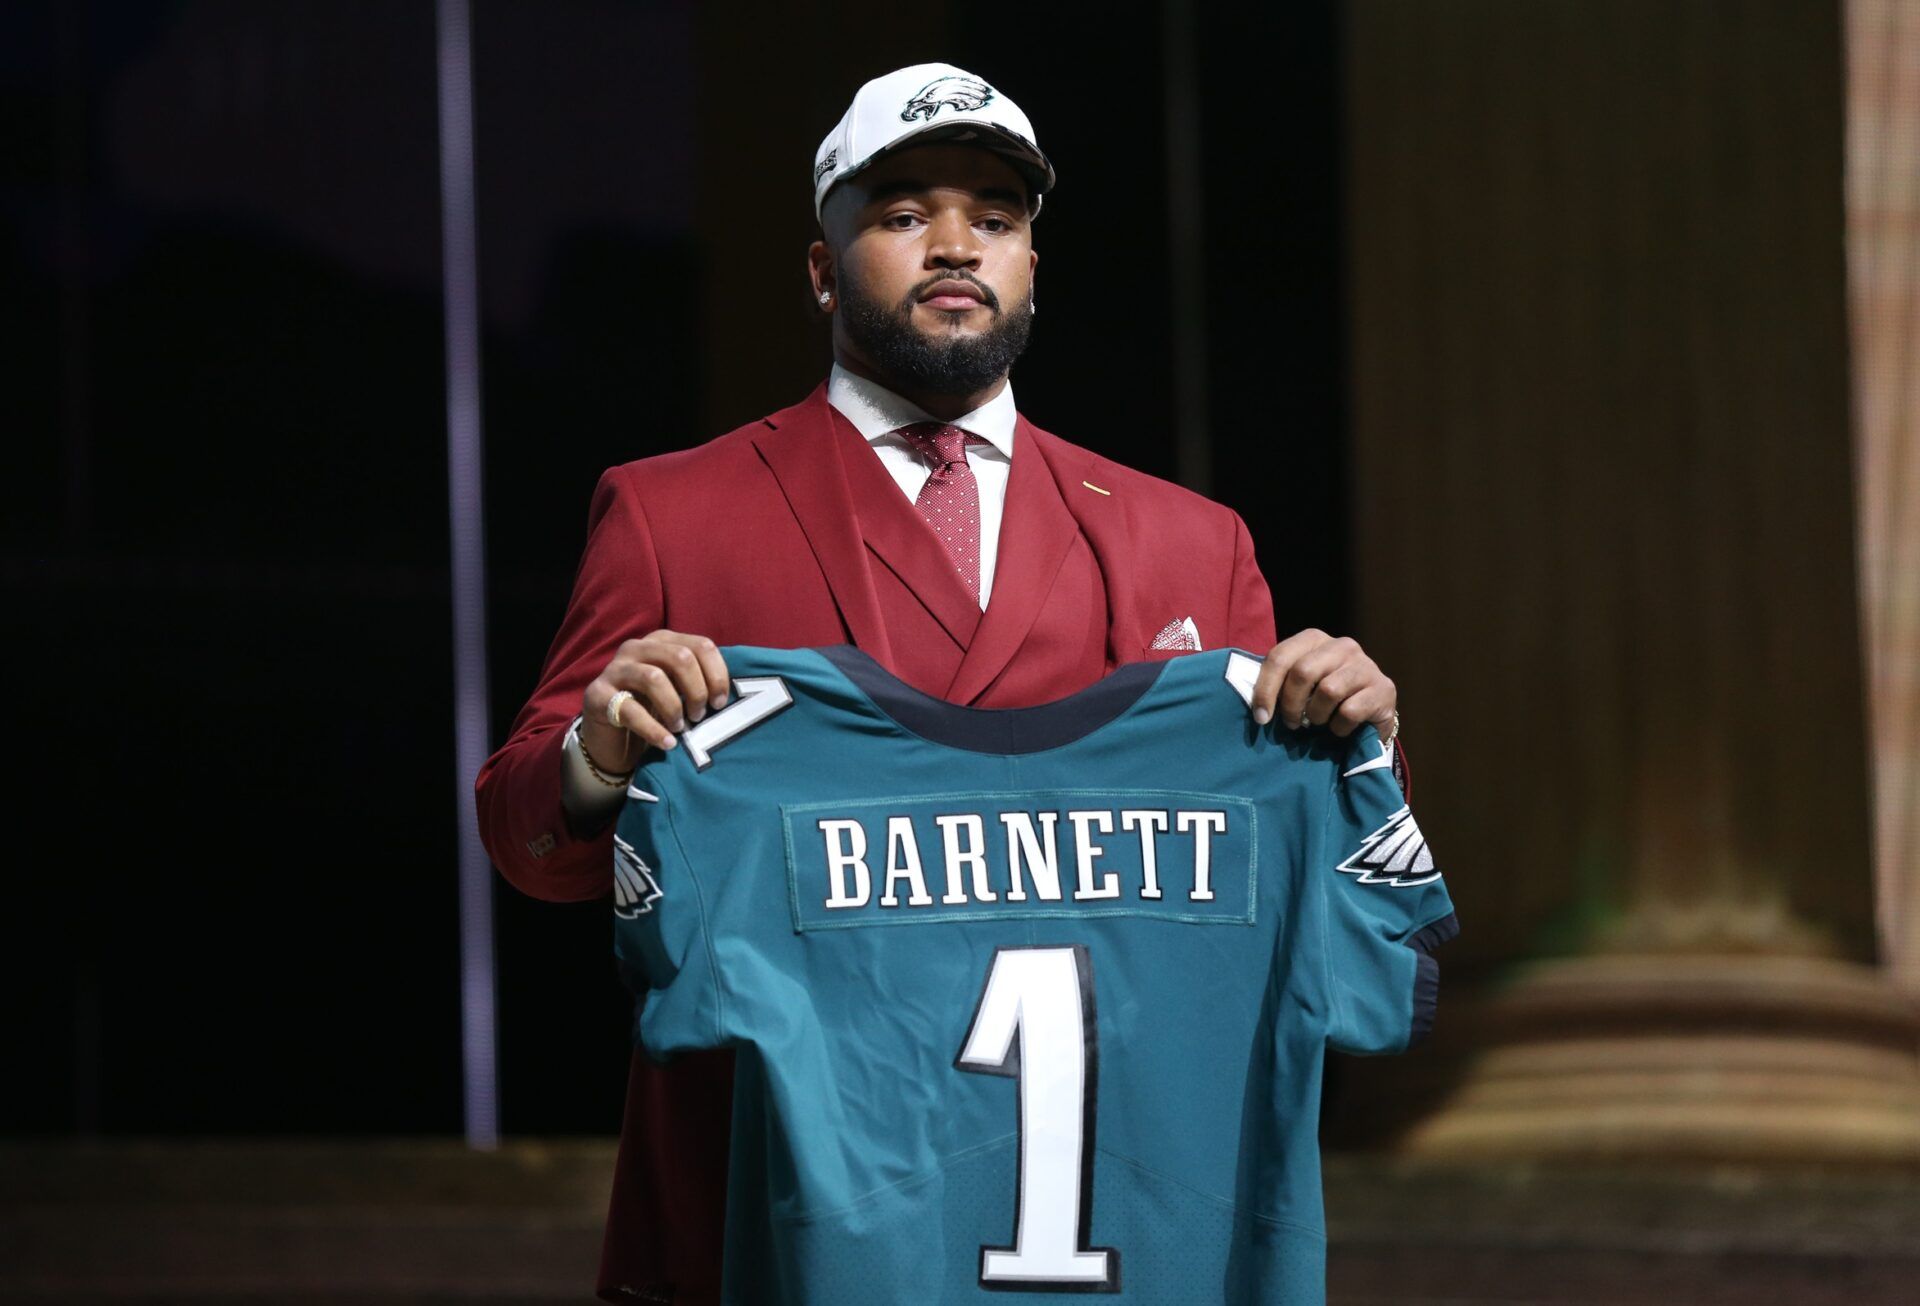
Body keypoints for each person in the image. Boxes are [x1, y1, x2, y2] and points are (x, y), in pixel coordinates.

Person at [475, 62, 1403, 1306]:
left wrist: (1349, 731)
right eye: (905, 213)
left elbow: (1264, 897)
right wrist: (596, 751)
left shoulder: (1192, 541)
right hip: (774, 1216)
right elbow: (532, 842)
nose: (956, 243)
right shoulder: (675, 513)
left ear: (1032, 268)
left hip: (1103, 1221)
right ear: (820, 268)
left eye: (998, 218)